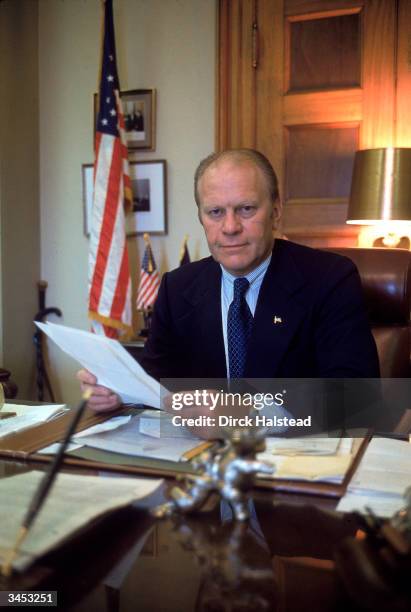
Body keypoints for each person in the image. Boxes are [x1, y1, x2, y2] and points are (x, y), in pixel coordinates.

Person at [78, 148, 380, 412]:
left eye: (246, 209)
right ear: (201, 217)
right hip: (201, 461)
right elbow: (157, 380)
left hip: (293, 460)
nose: (230, 227)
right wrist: (119, 391)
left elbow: (356, 394)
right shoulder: (178, 287)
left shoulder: (329, 279)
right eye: (215, 212)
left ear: (275, 212)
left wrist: (248, 415)